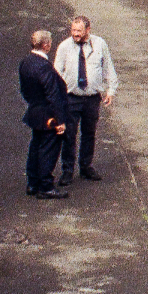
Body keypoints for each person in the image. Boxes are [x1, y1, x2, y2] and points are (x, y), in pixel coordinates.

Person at [53, 16, 118, 182]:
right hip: (71, 98)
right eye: (73, 30)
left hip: (92, 98)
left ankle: (86, 166)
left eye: (79, 31)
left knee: (89, 133)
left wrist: (110, 90)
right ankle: (67, 170)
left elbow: (107, 66)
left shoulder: (100, 44)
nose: (75, 34)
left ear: (88, 30)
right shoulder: (64, 47)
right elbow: (56, 72)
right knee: (69, 135)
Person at [19, 29, 71, 199]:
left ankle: (32, 183)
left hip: (35, 111)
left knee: (35, 147)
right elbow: (53, 95)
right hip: (49, 115)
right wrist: (60, 120)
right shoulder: (44, 67)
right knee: (48, 150)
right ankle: (46, 186)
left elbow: (24, 90)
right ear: (46, 45)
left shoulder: (26, 62)